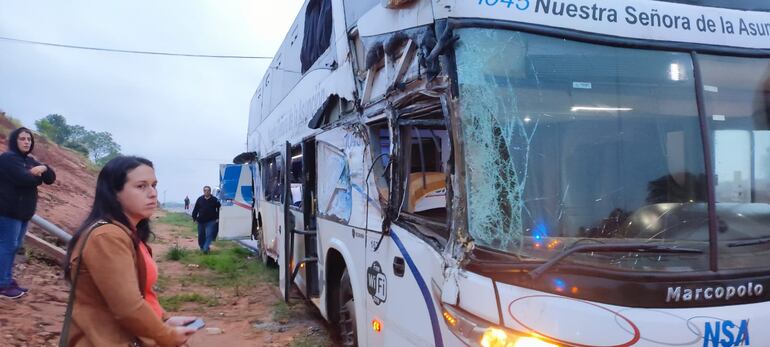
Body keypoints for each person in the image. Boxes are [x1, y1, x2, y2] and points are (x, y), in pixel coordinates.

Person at [62, 156, 198, 346]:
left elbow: (139, 295)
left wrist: (163, 319)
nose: (153, 193)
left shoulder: (127, 233)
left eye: (154, 185)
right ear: (114, 192)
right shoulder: (107, 237)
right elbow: (128, 308)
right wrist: (166, 335)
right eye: (141, 186)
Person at [0, 127, 56, 299]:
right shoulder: (8, 159)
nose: (26, 142)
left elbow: (50, 178)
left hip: (23, 213)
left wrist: (44, 167)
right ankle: (2, 285)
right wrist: (36, 174)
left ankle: (6, 280)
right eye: (22, 139)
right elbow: (23, 179)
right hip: (8, 211)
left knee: (14, 247)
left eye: (29, 139)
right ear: (15, 141)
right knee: (7, 246)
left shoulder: (30, 160)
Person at [191, 186, 220, 253]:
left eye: (208, 190)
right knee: (201, 235)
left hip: (211, 221)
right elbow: (196, 209)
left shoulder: (214, 200)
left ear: (210, 191)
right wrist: (194, 218)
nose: (206, 192)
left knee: (209, 235)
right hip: (201, 221)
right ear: (203, 191)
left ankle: (205, 248)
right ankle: (202, 247)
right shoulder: (200, 199)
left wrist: (218, 217)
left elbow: (219, 209)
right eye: (205, 190)